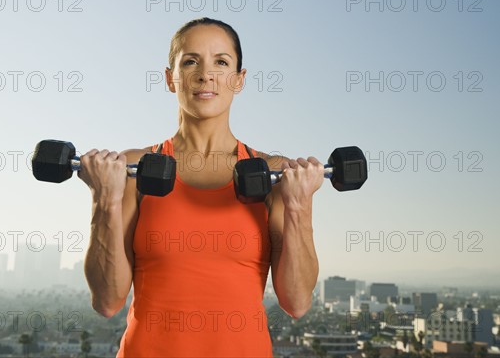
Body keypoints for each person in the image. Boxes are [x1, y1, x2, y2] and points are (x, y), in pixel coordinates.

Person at [78, 18, 323, 357]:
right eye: (190, 61)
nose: (206, 75)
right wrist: (104, 201)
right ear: (170, 78)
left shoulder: (272, 176)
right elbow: (107, 301)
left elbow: (296, 303)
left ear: (239, 80)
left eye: (221, 62)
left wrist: (299, 208)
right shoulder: (134, 169)